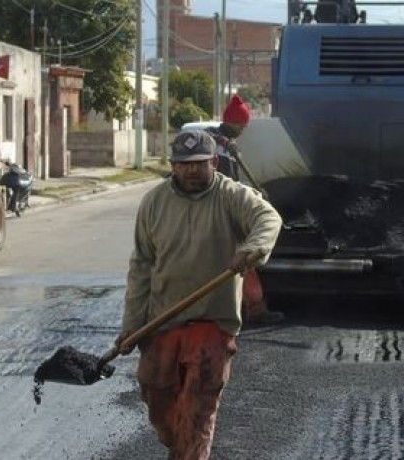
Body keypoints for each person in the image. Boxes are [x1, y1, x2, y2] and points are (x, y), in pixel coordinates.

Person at [116, 129, 283, 460]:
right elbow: (142, 266)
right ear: (173, 165)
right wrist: (132, 325)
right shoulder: (154, 202)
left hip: (213, 324)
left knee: (198, 410)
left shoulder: (232, 195)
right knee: (157, 397)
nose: (191, 170)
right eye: (184, 164)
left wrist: (253, 246)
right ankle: (180, 446)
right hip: (163, 320)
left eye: (199, 164)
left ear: (214, 162)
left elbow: (268, 217)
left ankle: (189, 452)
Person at [206, 94, 285, 325]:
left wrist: (252, 193)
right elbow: (224, 181)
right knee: (244, 261)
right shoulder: (215, 143)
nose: (243, 129)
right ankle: (255, 309)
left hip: (224, 209)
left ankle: (238, 307)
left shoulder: (225, 142)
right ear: (232, 122)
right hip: (219, 213)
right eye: (241, 125)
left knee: (235, 264)